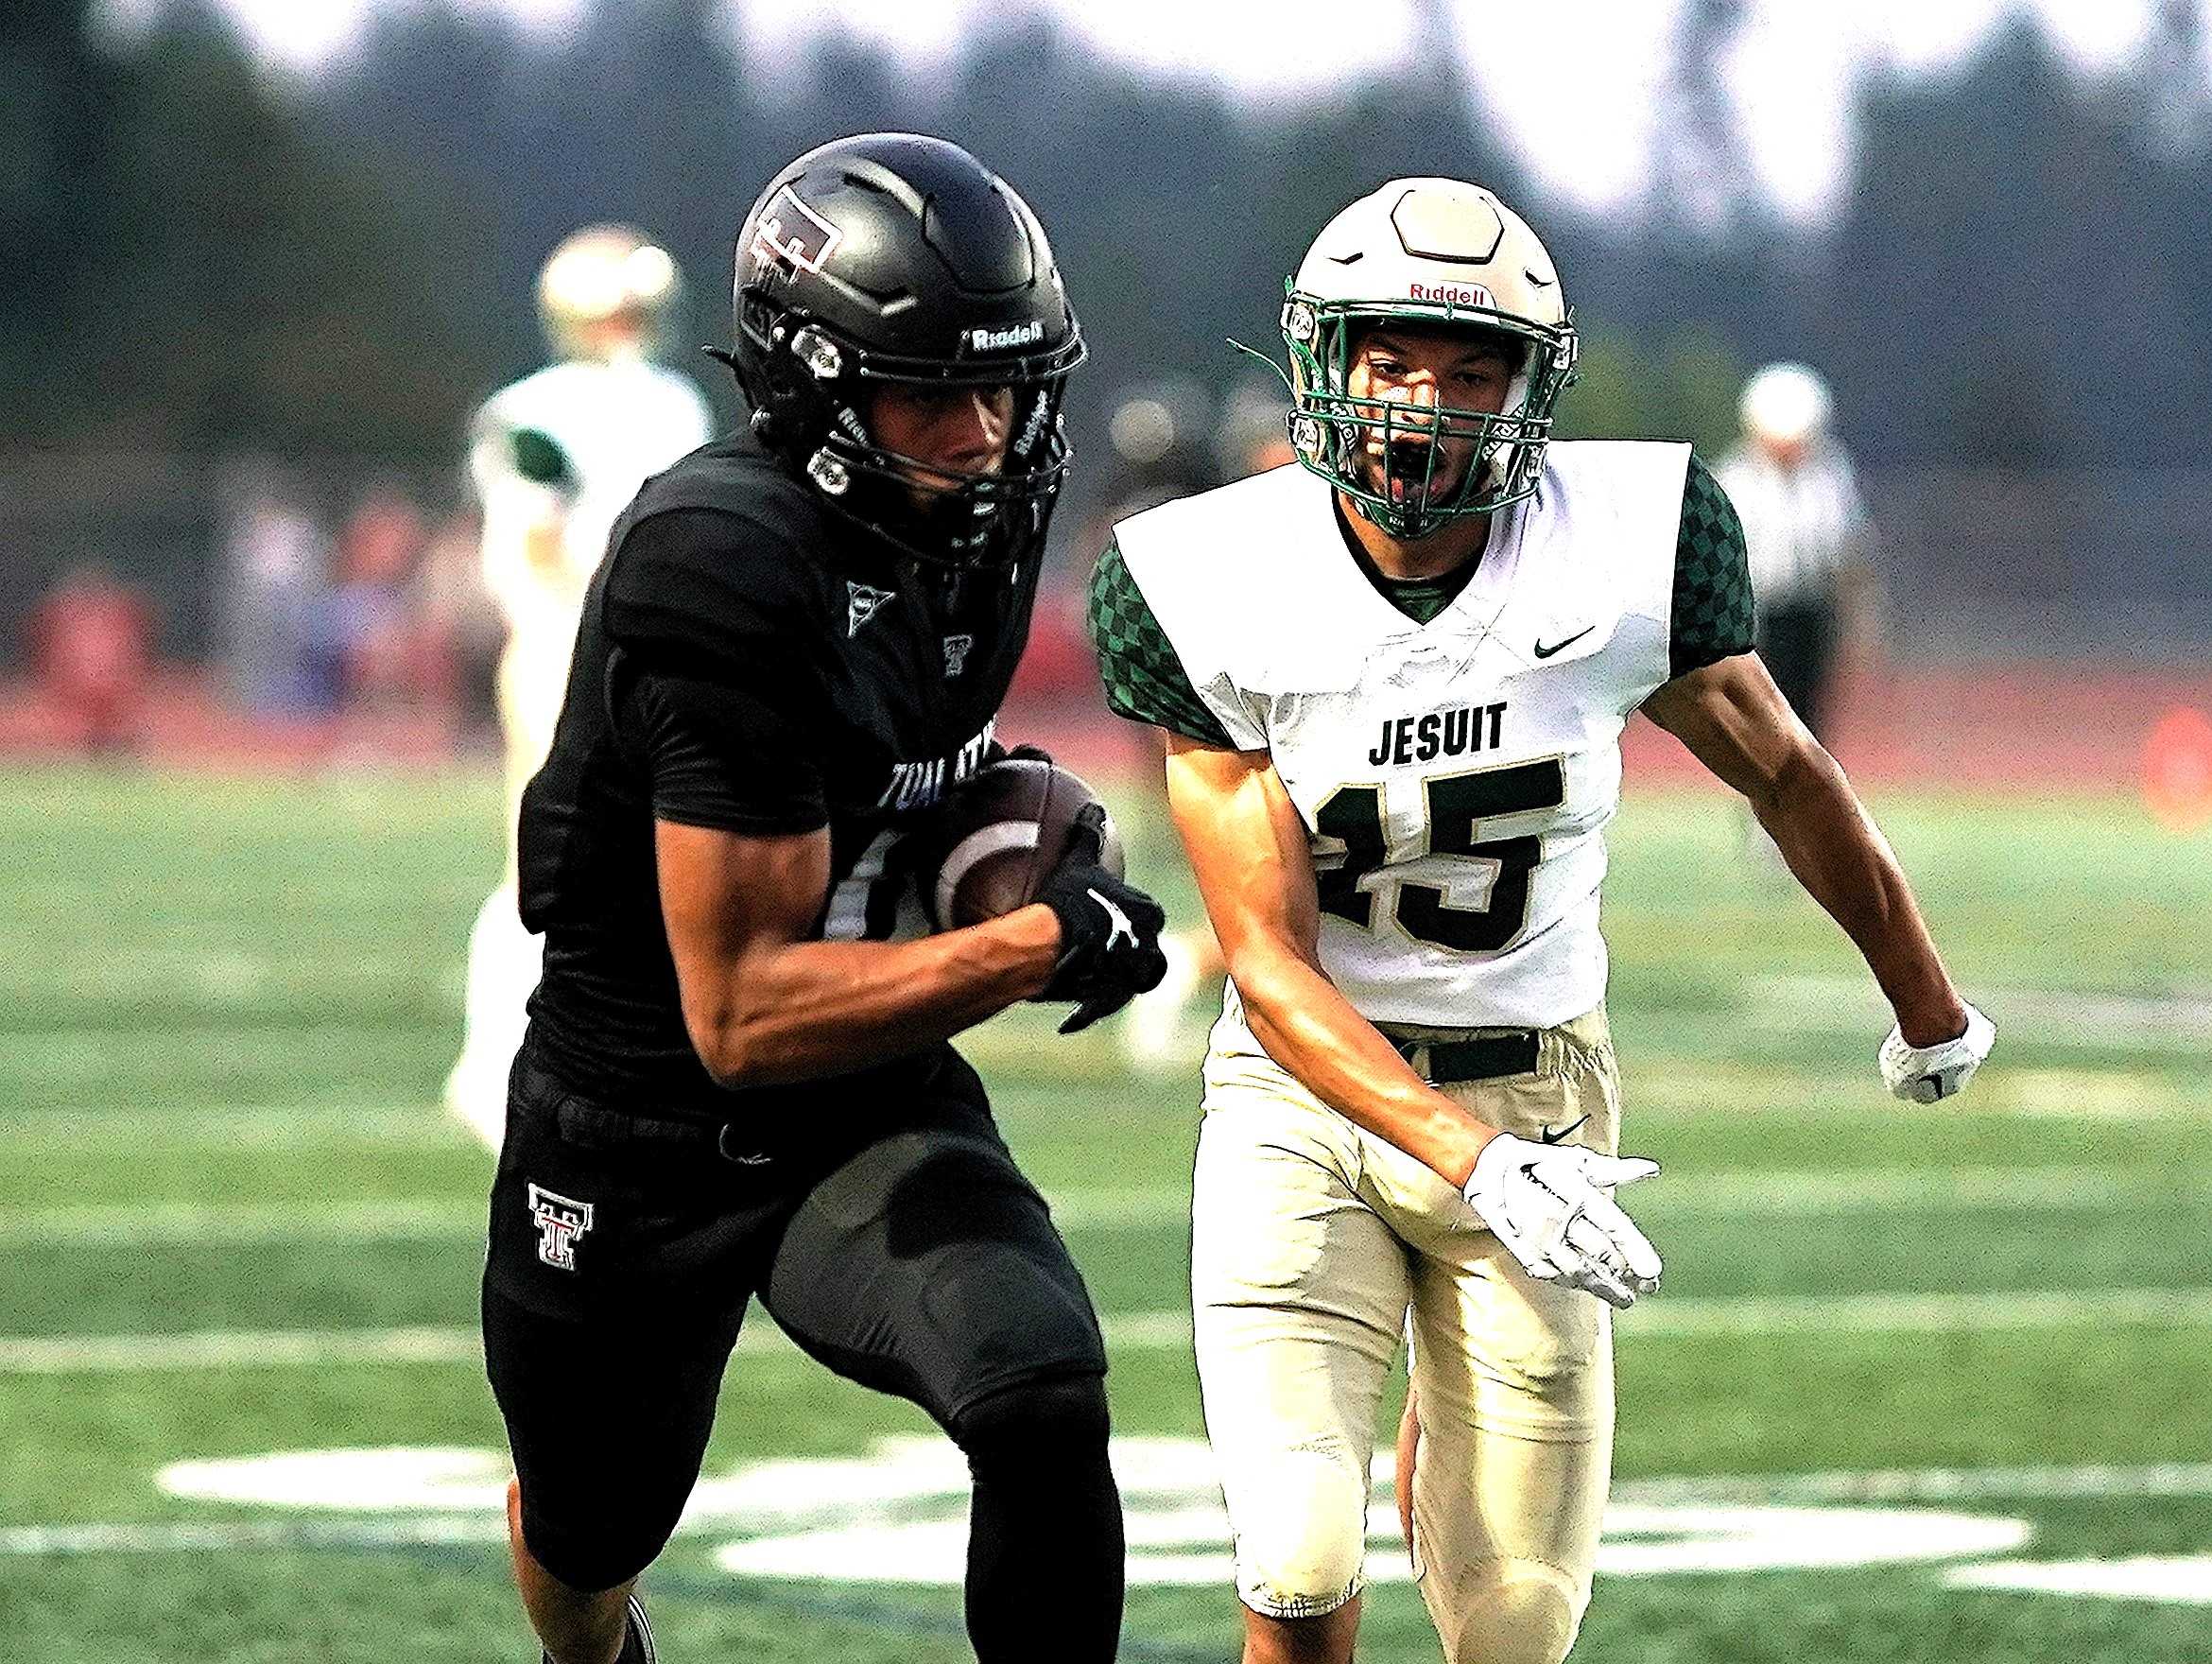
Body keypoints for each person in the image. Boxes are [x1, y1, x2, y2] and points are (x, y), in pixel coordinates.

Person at [1087, 177, 1996, 1664]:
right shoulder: (1207, 577)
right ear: (1326, 366)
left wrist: (1927, 1001)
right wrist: (1474, 1162)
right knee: (1301, 1556)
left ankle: (1445, 1455)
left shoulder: (1629, 542)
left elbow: (1787, 772)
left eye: (1470, 368)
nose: (1425, 404)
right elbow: (1263, 959)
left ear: (1532, 386)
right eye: (1390, 360)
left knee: (1516, 1625)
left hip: (1543, 1084)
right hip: (1306, 1103)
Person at [483, 133, 1166, 1664]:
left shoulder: (970, 522)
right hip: (637, 1120)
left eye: (1008, 386)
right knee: (592, 1533)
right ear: (815, 387)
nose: (984, 432)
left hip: (854, 1095)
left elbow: (892, 768)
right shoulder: (722, 557)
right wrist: (1033, 938)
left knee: (1038, 1383)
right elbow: (740, 1012)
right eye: (933, 388)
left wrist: (994, 822)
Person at [444, 224, 717, 1148]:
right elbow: (534, 548)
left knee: (645, 861)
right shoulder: (530, 413)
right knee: (543, 861)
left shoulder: (672, 400)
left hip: (644, 650)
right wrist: (602, 634)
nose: (636, 324)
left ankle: (610, 1055)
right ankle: (489, 1065)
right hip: (568, 645)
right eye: (624, 307)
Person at [1712, 360, 1875, 744]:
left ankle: (1811, 794)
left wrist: (1860, 617)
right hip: (1756, 616)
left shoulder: (1831, 475)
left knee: (1811, 714)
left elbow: (1848, 551)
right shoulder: (1736, 477)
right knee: (1763, 717)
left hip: (1814, 611)